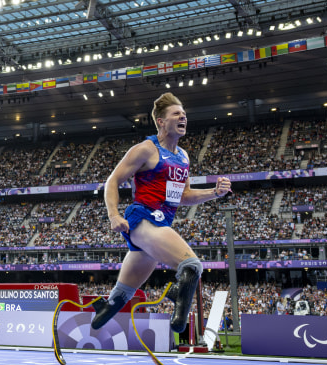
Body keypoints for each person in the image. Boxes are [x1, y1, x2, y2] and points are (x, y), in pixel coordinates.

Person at [92, 93, 231, 333]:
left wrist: (214, 192)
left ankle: (101, 310)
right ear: (160, 121)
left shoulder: (183, 157)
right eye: (176, 114)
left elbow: (184, 196)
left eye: (184, 114)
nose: (183, 117)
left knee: (118, 299)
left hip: (159, 226)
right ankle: (176, 292)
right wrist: (113, 214)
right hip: (143, 219)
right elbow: (113, 181)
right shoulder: (146, 149)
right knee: (191, 266)